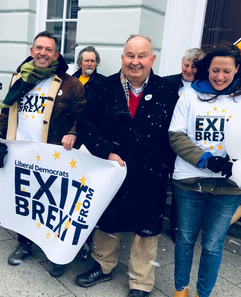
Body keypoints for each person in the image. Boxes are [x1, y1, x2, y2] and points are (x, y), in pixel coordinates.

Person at [75, 34, 179, 297]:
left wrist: (164, 165)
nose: (135, 62)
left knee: (146, 228)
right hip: (111, 169)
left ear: (152, 59)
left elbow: (174, 133)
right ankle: (102, 265)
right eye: (130, 55)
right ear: (122, 58)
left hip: (150, 173)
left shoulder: (167, 91)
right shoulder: (103, 88)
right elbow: (87, 125)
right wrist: (106, 151)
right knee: (107, 219)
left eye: (141, 55)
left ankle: (141, 283)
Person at [169, 44, 241, 297]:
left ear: (237, 69)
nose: (220, 76)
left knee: (213, 244)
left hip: (229, 184)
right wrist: (205, 160)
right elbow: (176, 135)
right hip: (190, 180)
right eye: (215, 70)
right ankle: (181, 290)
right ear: (207, 69)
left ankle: (204, 294)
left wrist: (236, 163)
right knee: (185, 239)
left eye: (226, 70)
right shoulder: (190, 95)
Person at [0, 31, 85, 278]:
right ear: (32, 51)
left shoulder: (71, 84)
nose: (43, 53)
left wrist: (74, 133)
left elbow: (83, 118)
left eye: (49, 50)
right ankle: (24, 243)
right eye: (39, 48)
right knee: (26, 203)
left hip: (53, 158)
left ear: (56, 55)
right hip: (21, 156)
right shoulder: (19, 79)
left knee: (55, 206)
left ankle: (57, 252)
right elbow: (7, 111)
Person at [164, 48, 205, 243]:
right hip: (164, 142)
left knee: (181, 187)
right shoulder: (167, 82)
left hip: (188, 145)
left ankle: (176, 225)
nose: (189, 70)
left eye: (194, 67)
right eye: (186, 65)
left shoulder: (205, 87)